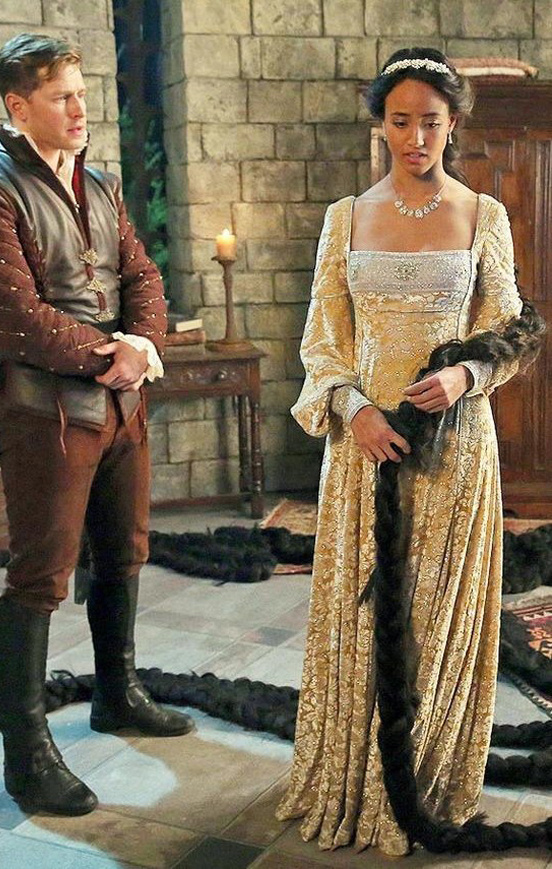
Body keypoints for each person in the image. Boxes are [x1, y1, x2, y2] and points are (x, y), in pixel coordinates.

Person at [0, 33, 193, 818]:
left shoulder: (100, 184)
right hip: (44, 411)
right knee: (39, 577)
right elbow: (14, 318)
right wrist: (116, 355)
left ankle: (118, 692)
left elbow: (142, 274)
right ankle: (28, 757)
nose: (80, 109)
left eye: (81, 92)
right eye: (61, 97)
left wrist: (143, 345)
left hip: (121, 403)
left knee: (125, 553)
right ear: (18, 106)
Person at [275, 47, 524, 856]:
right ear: (380, 124)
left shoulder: (484, 215)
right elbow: (322, 342)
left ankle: (430, 782)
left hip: (455, 451)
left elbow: (510, 329)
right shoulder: (345, 217)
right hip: (365, 451)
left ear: (454, 125)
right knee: (366, 614)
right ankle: (354, 781)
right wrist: (353, 410)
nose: (416, 137)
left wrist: (465, 374)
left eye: (431, 122)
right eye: (401, 120)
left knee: (436, 614)